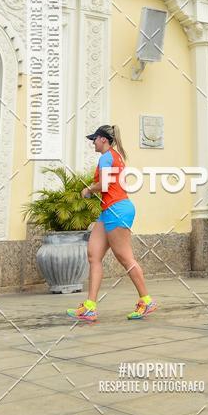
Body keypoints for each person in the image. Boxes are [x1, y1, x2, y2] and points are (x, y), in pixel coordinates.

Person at [66, 124, 156, 323]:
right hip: (109, 210)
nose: (93, 143)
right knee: (93, 254)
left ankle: (146, 301)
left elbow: (105, 183)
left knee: (125, 258)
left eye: (94, 139)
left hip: (117, 209)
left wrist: (89, 190)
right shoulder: (114, 156)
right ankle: (90, 307)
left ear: (103, 139)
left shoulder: (107, 157)